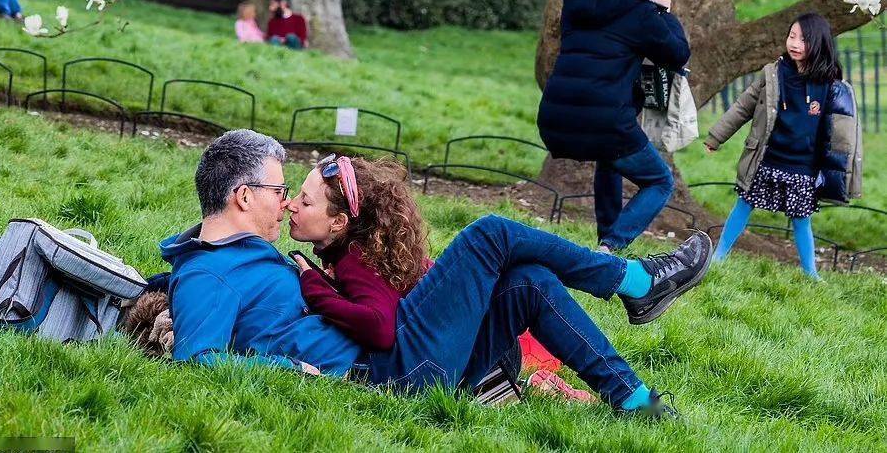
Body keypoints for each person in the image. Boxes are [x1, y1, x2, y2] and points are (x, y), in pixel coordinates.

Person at [161, 129, 714, 419]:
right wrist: (298, 371)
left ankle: (635, 400)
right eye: (281, 192)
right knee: (491, 234)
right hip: (388, 375)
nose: (286, 205)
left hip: (399, 360)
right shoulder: (210, 275)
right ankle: (635, 282)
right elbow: (197, 363)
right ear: (242, 196)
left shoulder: (236, 260)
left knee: (529, 281)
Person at [287, 153, 595, 403]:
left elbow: (380, 328)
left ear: (339, 222)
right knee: (528, 277)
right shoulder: (369, 247)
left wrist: (316, 291)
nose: (291, 205)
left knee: (493, 234)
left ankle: (613, 274)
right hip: (490, 352)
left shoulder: (355, 257)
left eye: (305, 200)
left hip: (477, 359)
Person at [537, 0, 690, 252]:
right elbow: (678, 54)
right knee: (661, 182)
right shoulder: (640, 12)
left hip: (555, 120)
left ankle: (605, 239)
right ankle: (610, 246)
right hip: (607, 123)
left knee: (610, 160)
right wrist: (661, 10)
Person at [705, 14, 862, 278]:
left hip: (803, 166)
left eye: (803, 39)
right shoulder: (774, 74)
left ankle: (811, 273)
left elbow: (839, 133)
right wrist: (716, 137)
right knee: (743, 205)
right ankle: (718, 257)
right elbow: (744, 106)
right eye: (792, 36)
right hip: (768, 159)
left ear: (819, 44)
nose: (795, 43)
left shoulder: (830, 85)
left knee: (801, 220)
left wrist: (836, 170)